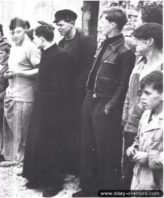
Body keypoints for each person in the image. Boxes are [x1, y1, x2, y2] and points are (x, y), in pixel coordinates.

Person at [74, 8, 136, 197]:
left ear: (113, 24)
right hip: (91, 98)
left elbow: (123, 85)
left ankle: (106, 190)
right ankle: (88, 188)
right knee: (88, 145)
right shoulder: (103, 44)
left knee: (106, 148)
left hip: (107, 103)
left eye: (103, 21)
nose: (100, 24)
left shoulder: (125, 50)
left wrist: (110, 107)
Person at [22, 25, 75, 197]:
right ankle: (37, 177)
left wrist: (58, 109)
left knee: (51, 144)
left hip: (54, 109)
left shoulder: (61, 55)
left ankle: (54, 182)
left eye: (35, 38)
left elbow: (66, 86)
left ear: (42, 38)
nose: (34, 41)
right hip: (42, 105)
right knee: (37, 141)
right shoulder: (46, 53)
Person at [54, 9, 97, 174]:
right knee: (65, 128)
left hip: (78, 93)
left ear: (71, 23)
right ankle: (67, 163)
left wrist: (77, 84)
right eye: (57, 26)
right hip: (63, 94)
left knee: (78, 129)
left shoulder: (85, 41)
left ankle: (77, 166)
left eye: (61, 25)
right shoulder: (61, 43)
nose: (58, 28)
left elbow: (89, 67)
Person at [121, 23, 163, 189]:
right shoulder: (139, 62)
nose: (134, 44)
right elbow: (129, 94)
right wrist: (125, 119)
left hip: (156, 131)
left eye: (137, 41)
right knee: (130, 172)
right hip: (134, 126)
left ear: (150, 41)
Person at [0, 18, 41, 167]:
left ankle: (23, 163)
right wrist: (9, 74)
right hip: (11, 93)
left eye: (18, 32)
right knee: (13, 129)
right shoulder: (13, 48)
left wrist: (19, 73)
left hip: (25, 96)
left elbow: (41, 69)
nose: (15, 35)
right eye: (12, 32)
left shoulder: (31, 47)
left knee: (23, 131)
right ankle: (15, 159)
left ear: (25, 31)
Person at [126, 71, 163, 190]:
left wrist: (148, 158)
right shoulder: (146, 115)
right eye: (142, 93)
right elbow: (139, 139)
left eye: (147, 93)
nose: (142, 97)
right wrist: (134, 149)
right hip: (140, 181)